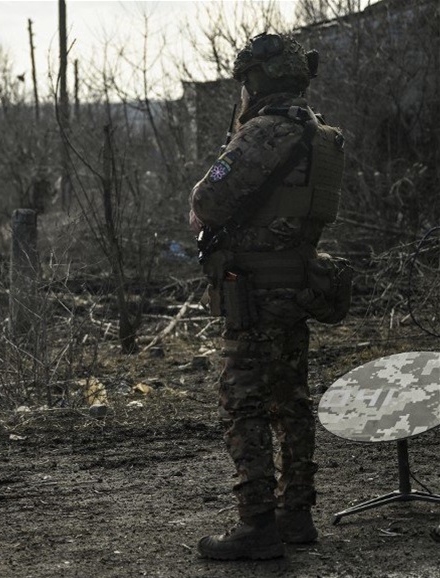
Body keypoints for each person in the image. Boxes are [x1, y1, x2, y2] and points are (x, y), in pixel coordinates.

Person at [189, 33, 348, 560]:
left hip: (253, 291)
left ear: (258, 80)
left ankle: (257, 523)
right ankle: (297, 514)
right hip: (295, 284)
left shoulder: (263, 132)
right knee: (291, 400)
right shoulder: (321, 135)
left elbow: (209, 201)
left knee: (244, 405)